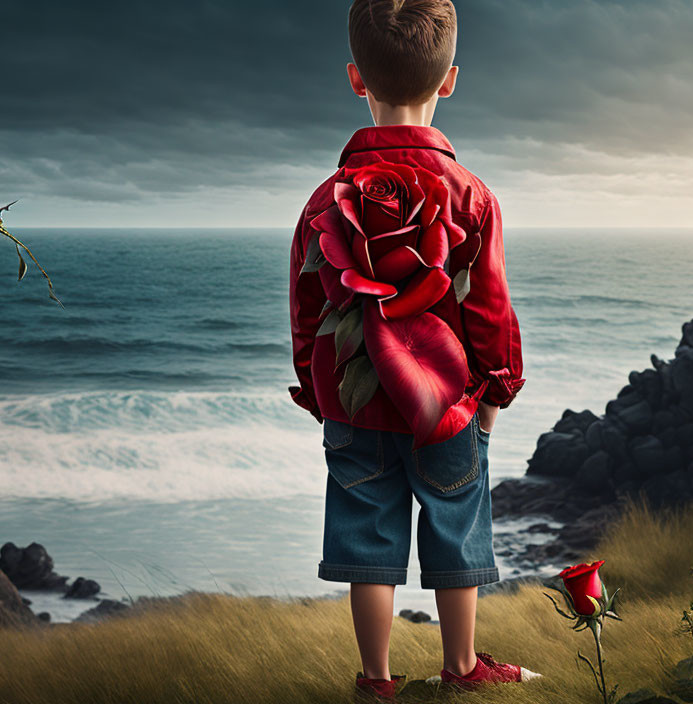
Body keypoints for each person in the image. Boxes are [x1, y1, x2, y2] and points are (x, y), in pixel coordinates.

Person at [288, 0, 537, 699]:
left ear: (354, 78)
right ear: (449, 80)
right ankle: (461, 669)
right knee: (459, 529)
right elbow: (490, 311)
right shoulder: (472, 196)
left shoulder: (322, 200)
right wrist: (496, 392)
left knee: (367, 544)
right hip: (450, 407)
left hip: (355, 407)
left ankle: (376, 680)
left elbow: (306, 310)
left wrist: (318, 392)